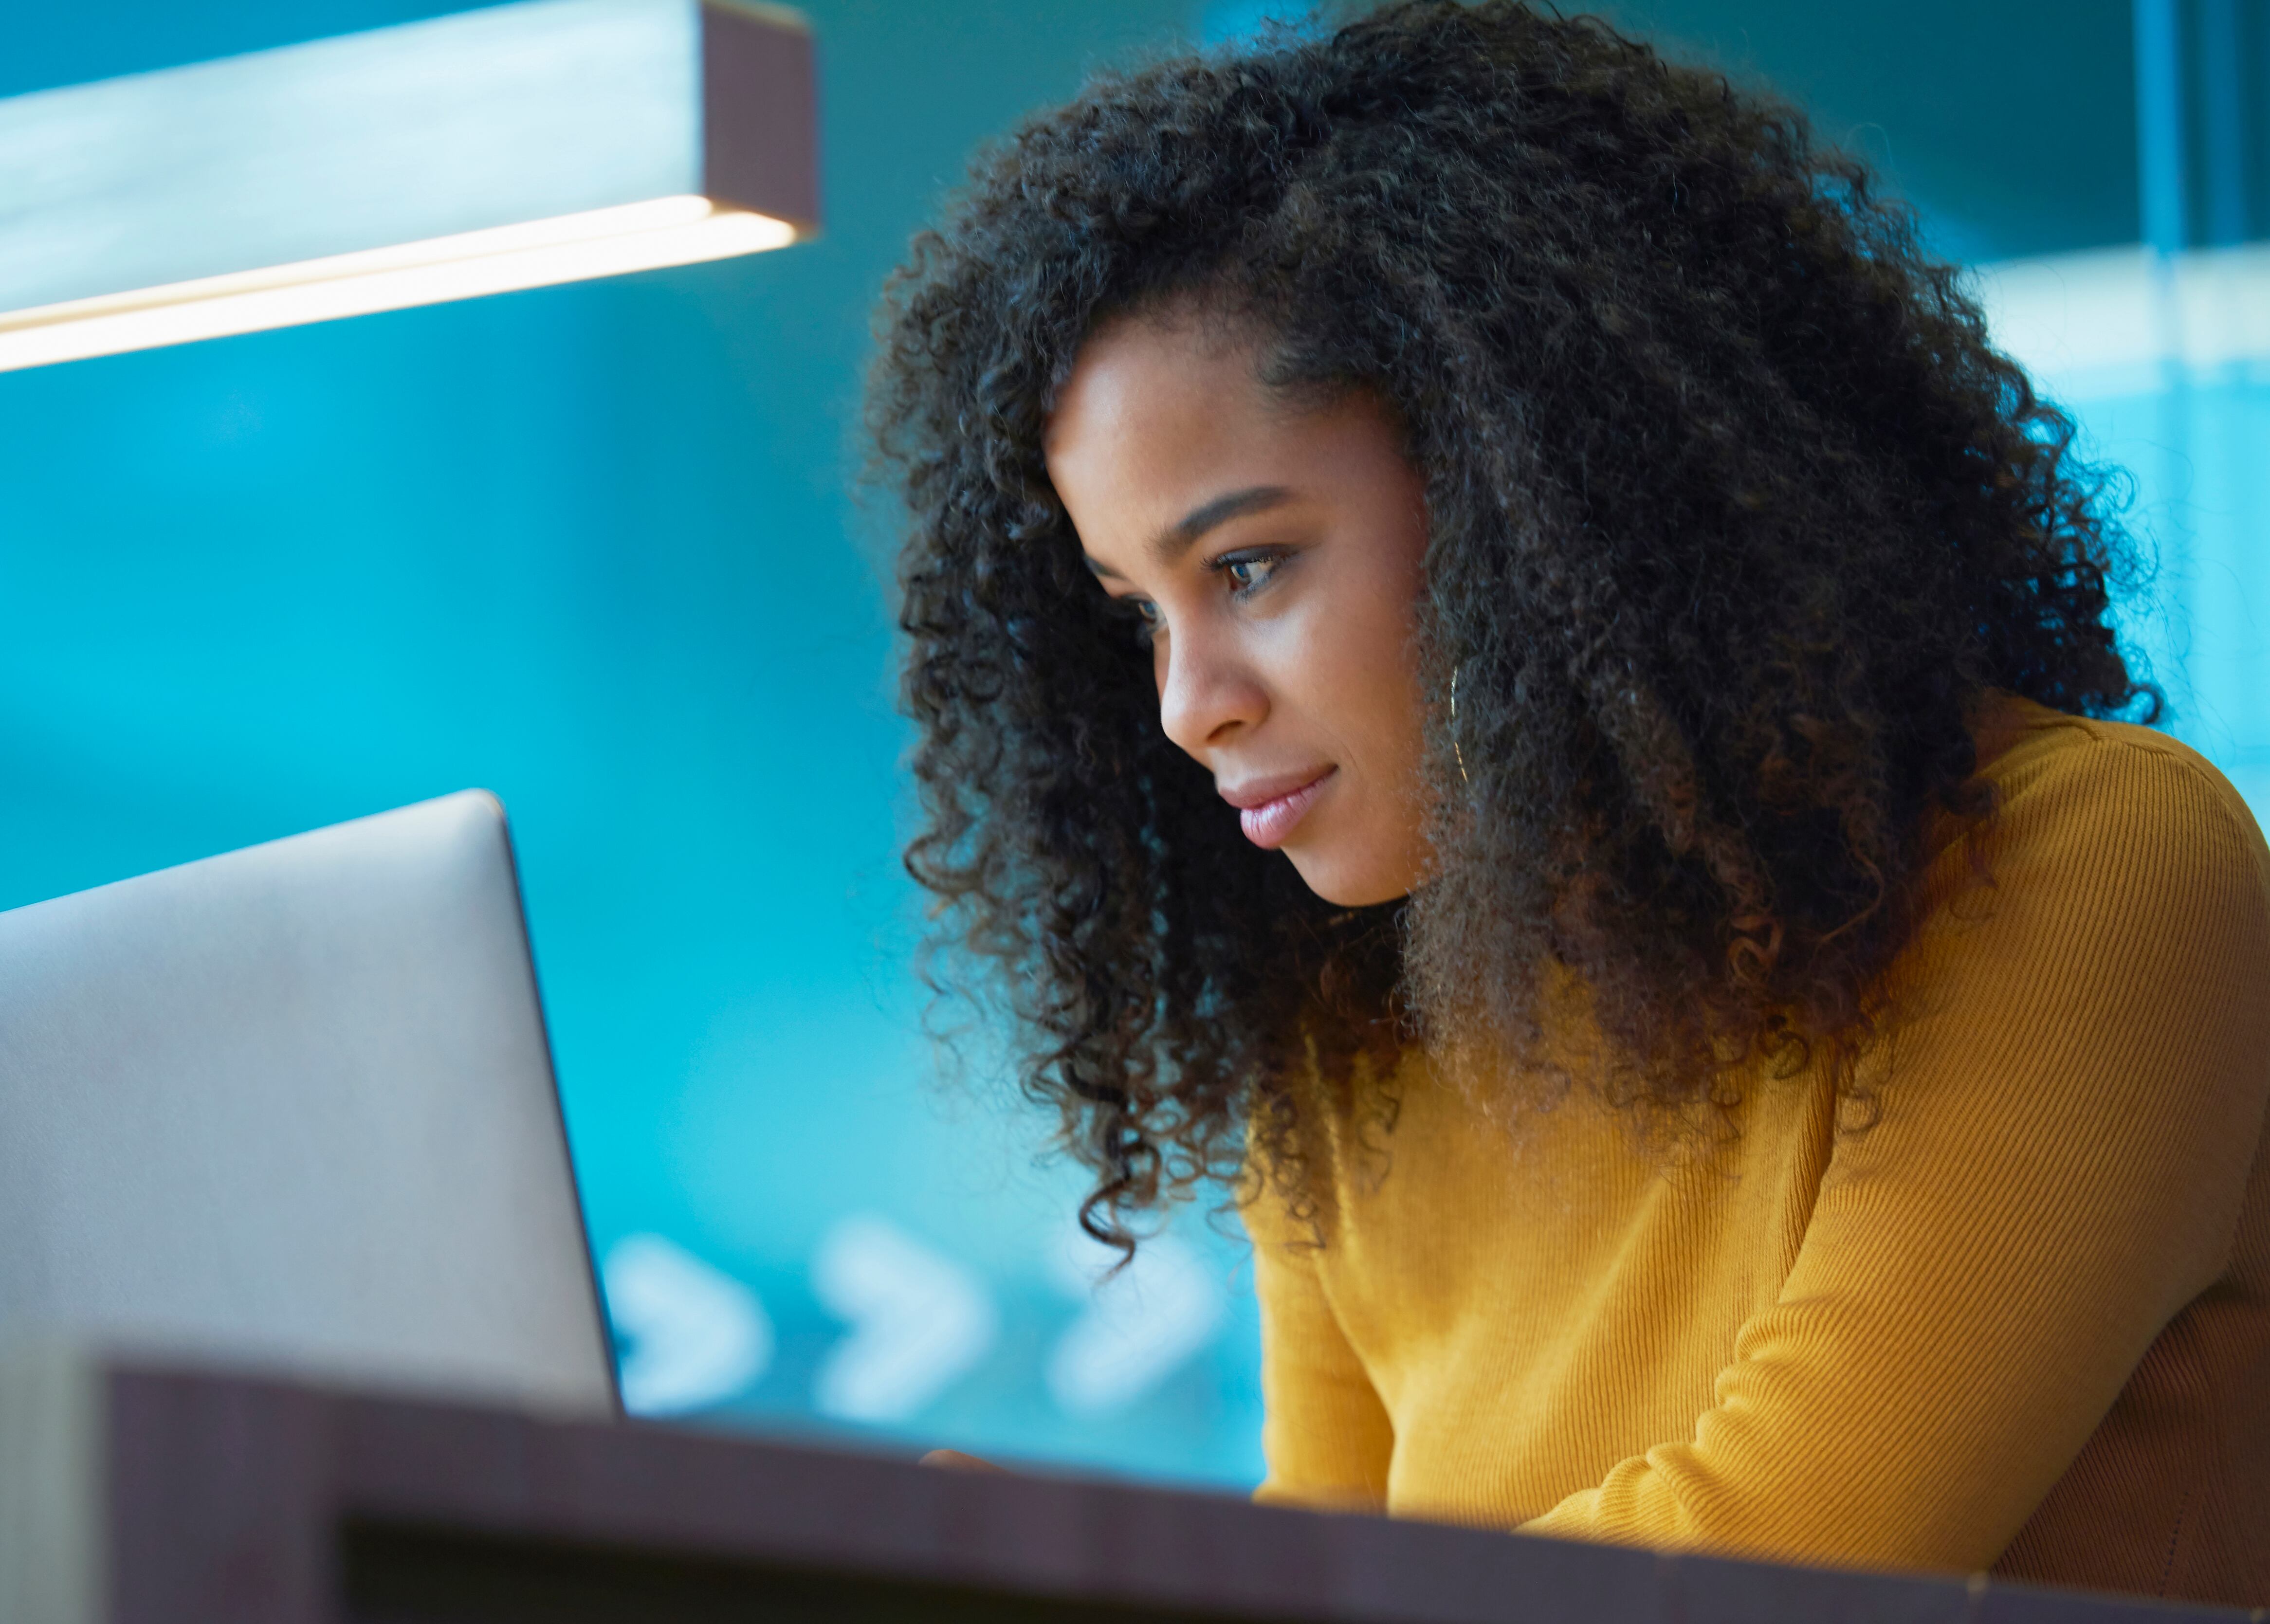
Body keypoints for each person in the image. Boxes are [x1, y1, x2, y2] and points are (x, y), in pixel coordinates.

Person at [864, 0, 2270, 1606]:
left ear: (1532, 501)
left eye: (1247, 566)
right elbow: (1337, 1552)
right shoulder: (1343, 1018)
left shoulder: (2096, 868)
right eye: (1137, 612)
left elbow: (1782, 1552)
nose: (1190, 705)